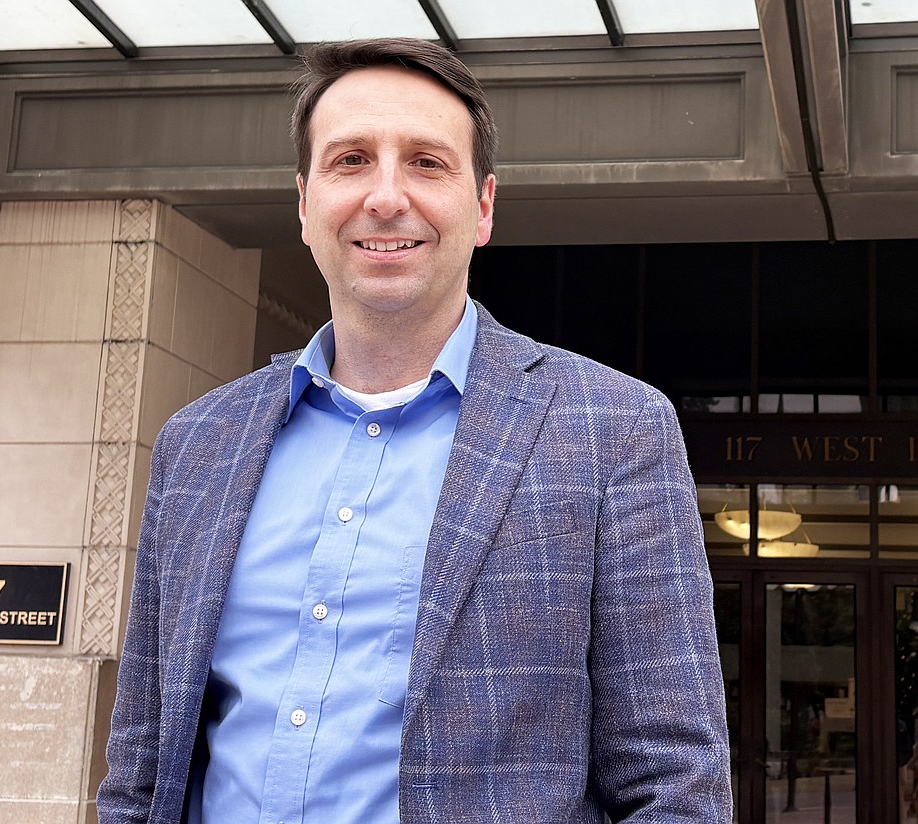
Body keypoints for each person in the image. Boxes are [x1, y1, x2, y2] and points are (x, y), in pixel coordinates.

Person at [98, 37, 732, 824]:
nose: (387, 196)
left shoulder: (614, 431)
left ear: (485, 205)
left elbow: (676, 783)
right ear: (304, 204)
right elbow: (139, 764)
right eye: (351, 160)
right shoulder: (197, 444)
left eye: (427, 163)